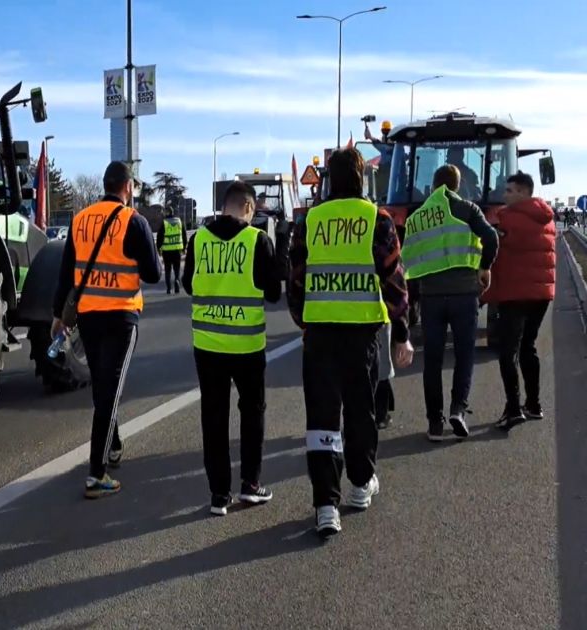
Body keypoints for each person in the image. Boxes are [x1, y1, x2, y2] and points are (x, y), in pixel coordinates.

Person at [288, 147, 414, 538]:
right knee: (361, 412)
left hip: (320, 333)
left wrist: (304, 324)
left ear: (328, 179)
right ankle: (361, 485)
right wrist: (403, 331)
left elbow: (295, 280)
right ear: (362, 178)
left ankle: (326, 504)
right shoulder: (376, 219)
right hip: (362, 334)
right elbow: (393, 278)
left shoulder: (310, 220)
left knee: (322, 418)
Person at [52, 161, 161, 499]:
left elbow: (67, 272)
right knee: (110, 393)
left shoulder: (80, 219)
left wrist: (59, 315)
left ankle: (113, 448)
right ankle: (96, 473)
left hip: (88, 317)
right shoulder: (134, 221)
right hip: (121, 317)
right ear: (127, 187)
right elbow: (154, 274)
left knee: (103, 387)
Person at [182, 180, 289, 516]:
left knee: (213, 417)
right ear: (247, 207)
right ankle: (251, 486)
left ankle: (218, 495)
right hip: (246, 345)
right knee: (252, 411)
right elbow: (273, 294)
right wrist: (280, 245)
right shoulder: (257, 240)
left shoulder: (198, 239)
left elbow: (187, 284)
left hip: (208, 344)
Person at [402, 165, 499, 442]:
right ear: (457, 186)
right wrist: (484, 267)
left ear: (433, 187)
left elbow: (408, 255)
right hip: (464, 295)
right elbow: (490, 237)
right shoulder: (468, 209)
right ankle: (458, 410)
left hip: (431, 297)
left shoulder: (417, 217)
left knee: (432, 360)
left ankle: (435, 422)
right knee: (464, 354)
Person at [482, 172, 556, 431]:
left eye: (510, 191)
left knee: (508, 352)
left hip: (515, 294)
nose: (505, 195)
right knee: (529, 347)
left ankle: (513, 408)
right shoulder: (547, 218)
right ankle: (534, 404)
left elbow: (495, 254)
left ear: (524, 192)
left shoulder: (507, 219)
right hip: (542, 294)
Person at [157, 207, 187, 294]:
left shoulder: (164, 223)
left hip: (167, 251)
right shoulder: (179, 221)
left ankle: (169, 288)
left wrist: (159, 248)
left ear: (166, 213)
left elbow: (160, 237)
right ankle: (177, 280)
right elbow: (184, 235)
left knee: (167, 270)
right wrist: (184, 247)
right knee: (177, 269)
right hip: (177, 250)